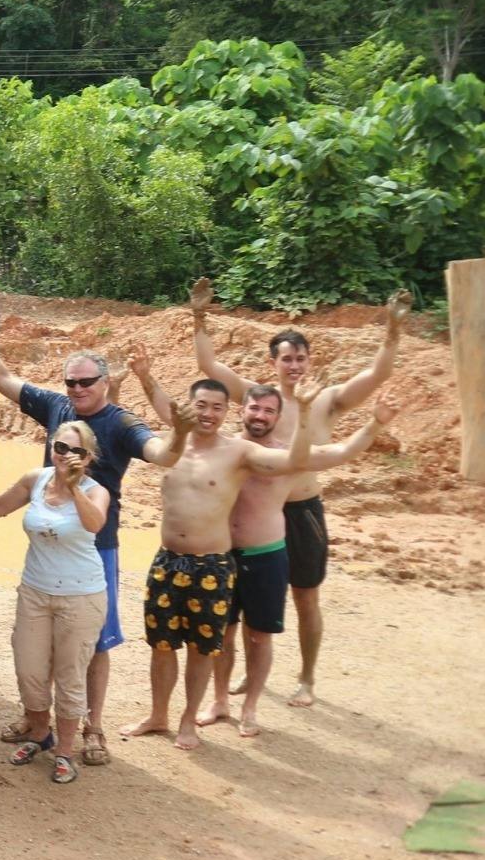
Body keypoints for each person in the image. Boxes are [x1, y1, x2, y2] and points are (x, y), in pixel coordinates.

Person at [132, 355, 394, 737]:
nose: (259, 414)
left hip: (252, 555)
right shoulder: (191, 445)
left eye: (269, 409)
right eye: (253, 406)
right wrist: (145, 376)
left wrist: (369, 422)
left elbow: (325, 455)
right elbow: (171, 413)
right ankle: (212, 702)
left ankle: (247, 708)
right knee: (208, 638)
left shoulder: (256, 454)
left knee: (255, 636)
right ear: (243, 411)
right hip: (189, 558)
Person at [188, 278, 409, 707]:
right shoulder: (259, 399)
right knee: (244, 601)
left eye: (300, 358)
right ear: (273, 362)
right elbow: (209, 367)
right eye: (286, 358)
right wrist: (199, 315)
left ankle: (307, 678)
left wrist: (393, 328)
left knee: (306, 596)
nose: (294, 365)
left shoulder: (327, 401)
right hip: (253, 512)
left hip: (302, 509)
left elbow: (378, 373)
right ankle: (248, 679)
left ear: (309, 362)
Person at [115, 375, 335, 752]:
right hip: (167, 561)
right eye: (201, 405)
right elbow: (124, 421)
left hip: (212, 565)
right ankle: (158, 714)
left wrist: (305, 415)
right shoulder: (166, 448)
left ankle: (189, 720)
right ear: (187, 406)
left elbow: (297, 460)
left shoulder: (238, 452)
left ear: (227, 413)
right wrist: (144, 377)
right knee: (162, 645)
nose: (208, 413)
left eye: (218, 407)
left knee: (203, 648)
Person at [0, 348, 171, 768]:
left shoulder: (122, 423)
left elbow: (160, 452)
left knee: (93, 645)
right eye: (70, 381)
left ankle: (93, 726)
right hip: (49, 542)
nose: (76, 389)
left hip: (96, 545)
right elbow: (3, 379)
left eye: (85, 382)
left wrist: (169, 410)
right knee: (41, 639)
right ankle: (38, 721)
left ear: (104, 382)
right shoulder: (57, 405)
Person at [0, 421, 110, 785]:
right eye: (60, 447)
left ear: (87, 457)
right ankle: (39, 734)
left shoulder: (96, 491)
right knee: (29, 669)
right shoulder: (36, 479)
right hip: (35, 591)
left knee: (70, 675)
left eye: (75, 451)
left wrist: (75, 488)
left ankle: (64, 751)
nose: (65, 455)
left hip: (81, 596)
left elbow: (95, 525)